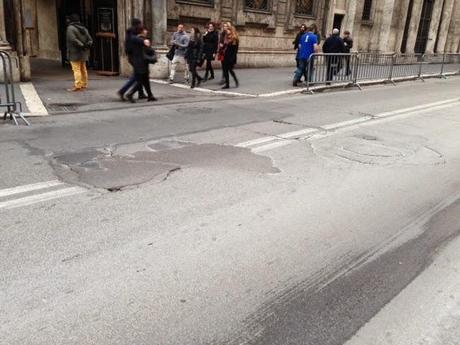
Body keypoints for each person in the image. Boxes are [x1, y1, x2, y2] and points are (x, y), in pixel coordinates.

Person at [125, 27, 157, 103]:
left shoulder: (138, 39)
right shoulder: (141, 40)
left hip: (140, 63)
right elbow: (147, 50)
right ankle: (130, 93)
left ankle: (150, 95)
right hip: (142, 63)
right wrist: (151, 51)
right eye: (145, 30)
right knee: (141, 81)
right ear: (142, 31)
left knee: (145, 80)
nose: (147, 31)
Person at [117, 18, 146, 101]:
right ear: (137, 24)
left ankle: (140, 93)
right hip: (135, 58)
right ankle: (122, 91)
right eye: (140, 23)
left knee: (140, 76)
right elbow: (132, 42)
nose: (141, 25)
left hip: (135, 57)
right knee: (137, 76)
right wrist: (142, 40)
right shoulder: (132, 33)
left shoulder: (134, 32)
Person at [66, 14, 93, 92]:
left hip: (74, 52)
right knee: (83, 68)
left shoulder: (70, 28)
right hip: (84, 52)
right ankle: (84, 84)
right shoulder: (84, 28)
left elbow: (73, 39)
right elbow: (90, 39)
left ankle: (78, 85)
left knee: (76, 69)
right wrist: (86, 46)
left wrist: (81, 45)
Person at [221, 23, 239, 89]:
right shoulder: (226, 38)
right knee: (225, 70)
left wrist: (232, 59)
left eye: (228, 30)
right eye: (227, 30)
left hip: (231, 58)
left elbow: (235, 51)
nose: (227, 31)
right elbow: (224, 47)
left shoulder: (235, 40)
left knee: (230, 70)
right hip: (225, 56)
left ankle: (236, 80)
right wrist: (222, 46)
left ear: (231, 31)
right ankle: (227, 84)